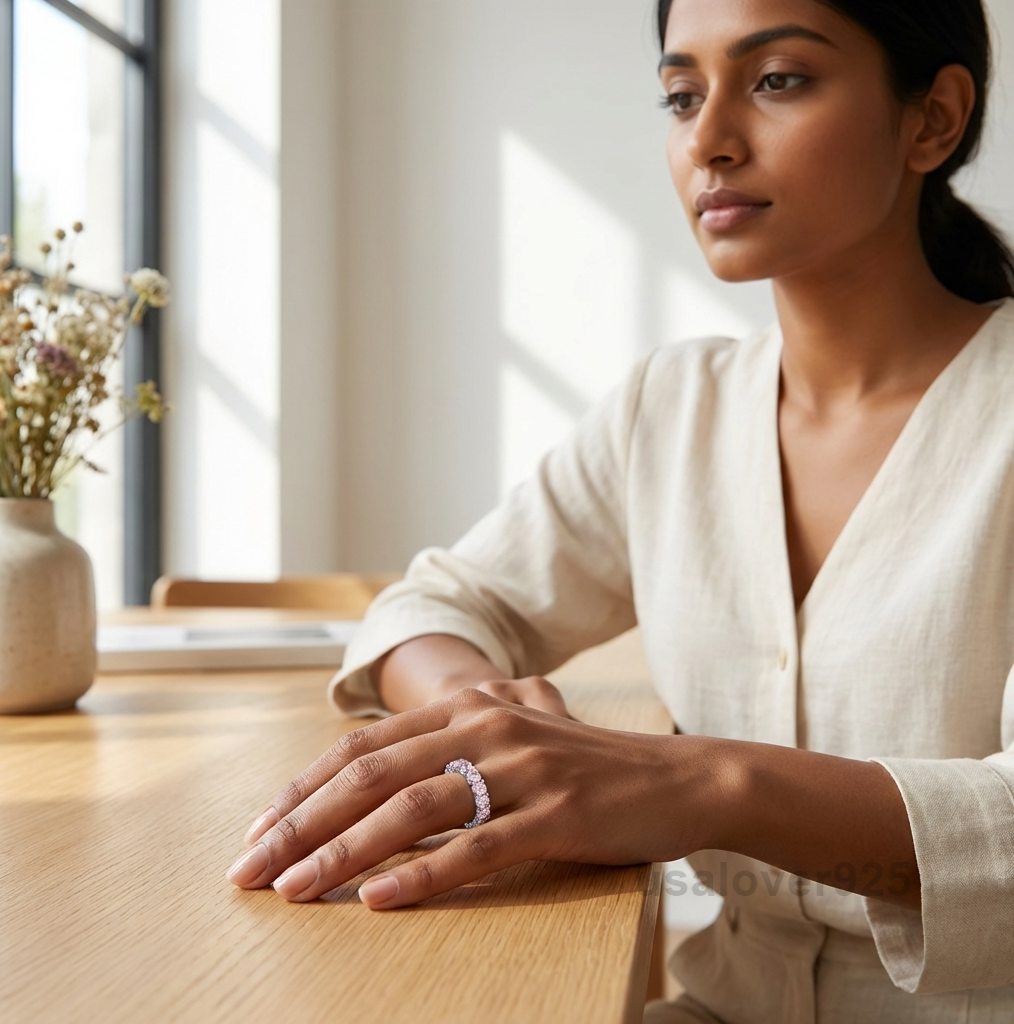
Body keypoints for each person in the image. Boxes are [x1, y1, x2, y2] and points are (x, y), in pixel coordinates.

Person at [226, 0, 1014, 1019]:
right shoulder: (670, 408)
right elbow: (432, 606)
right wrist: (486, 717)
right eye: (681, 95)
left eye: (777, 80)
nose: (709, 140)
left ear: (932, 118)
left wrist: (698, 784)